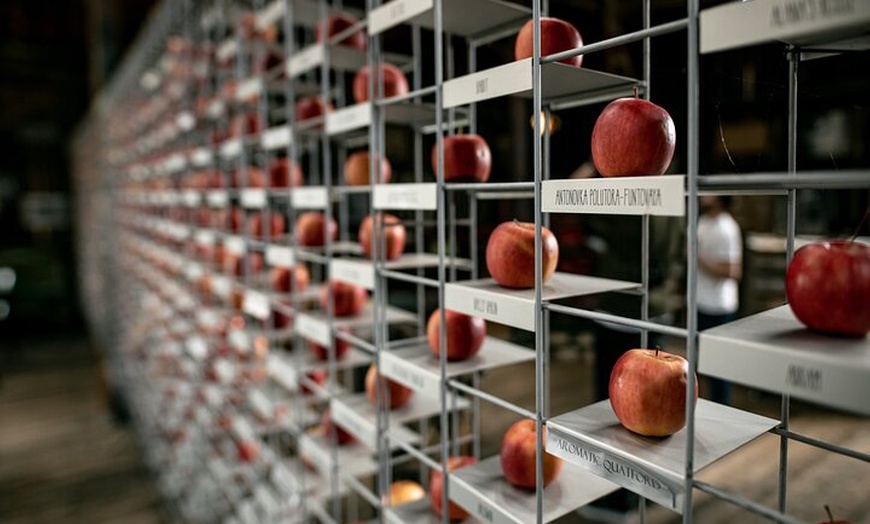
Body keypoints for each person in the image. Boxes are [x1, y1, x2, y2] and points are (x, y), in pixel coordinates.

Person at [697, 194, 742, 405]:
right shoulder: (703, 221)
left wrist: (698, 258)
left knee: (719, 370)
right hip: (700, 303)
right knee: (703, 365)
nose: (704, 195)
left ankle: (722, 411)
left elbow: (733, 270)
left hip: (719, 307)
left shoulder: (727, 228)